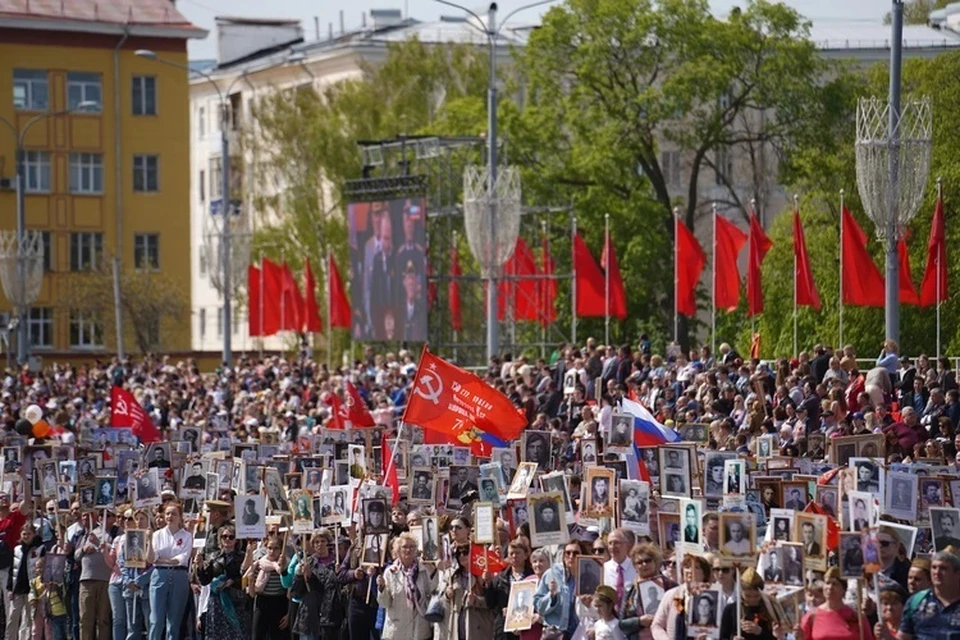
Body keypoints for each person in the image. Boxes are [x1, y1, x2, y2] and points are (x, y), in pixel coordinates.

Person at [377, 532, 436, 640]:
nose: (408, 550)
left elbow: (433, 595)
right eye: (405, 547)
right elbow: (384, 603)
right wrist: (381, 588)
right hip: (397, 631)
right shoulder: (390, 572)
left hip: (420, 631)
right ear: (398, 550)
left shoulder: (424, 570)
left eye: (412, 546)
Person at [148, 503, 192, 640]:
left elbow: (182, 558)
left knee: (174, 622)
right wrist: (149, 540)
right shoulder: (156, 535)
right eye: (167, 513)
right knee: (156, 620)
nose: (170, 517)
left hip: (179, 576)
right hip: (160, 575)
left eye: (174, 514)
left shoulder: (187, 536)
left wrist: (162, 559)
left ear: (180, 517)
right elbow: (151, 559)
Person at [197, 525, 251, 638]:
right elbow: (205, 581)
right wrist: (200, 567)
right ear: (220, 539)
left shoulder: (242, 557)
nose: (227, 539)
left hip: (234, 600)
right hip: (217, 602)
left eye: (231, 537)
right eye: (224, 536)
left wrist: (233, 581)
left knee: (235, 633)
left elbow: (245, 578)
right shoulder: (214, 557)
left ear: (236, 540)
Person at [898, 548, 960, 640]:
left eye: (943, 568)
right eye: (934, 567)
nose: (937, 572)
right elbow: (904, 636)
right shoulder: (916, 601)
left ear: (957, 573)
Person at [651, 555, 711, 639]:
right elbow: (657, 625)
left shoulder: (712, 596)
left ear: (704, 573)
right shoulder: (672, 595)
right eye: (687, 567)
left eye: (696, 567)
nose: (690, 571)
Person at [484, 538, 533, 640]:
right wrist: (488, 584)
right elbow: (490, 604)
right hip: (504, 631)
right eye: (511, 553)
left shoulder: (533, 577)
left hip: (527, 630)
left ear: (525, 555)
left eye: (518, 553)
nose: (514, 556)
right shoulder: (500, 578)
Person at [718, 568, 786, 640]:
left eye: (756, 596)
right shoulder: (731, 609)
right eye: (748, 596)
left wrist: (760, 632)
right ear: (741, 592)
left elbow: (776, 637)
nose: (752, 599)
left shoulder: (769, 609)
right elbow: (723, 636)